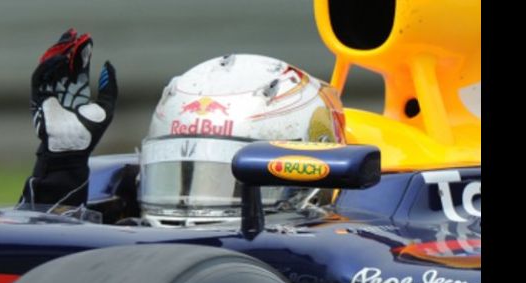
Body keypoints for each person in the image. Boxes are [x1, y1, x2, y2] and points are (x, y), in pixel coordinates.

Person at [21, 29, 346, 226]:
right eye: (179, 174)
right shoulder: (135, 233)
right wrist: (61, 167)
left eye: (222, 179)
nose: (189, 206)